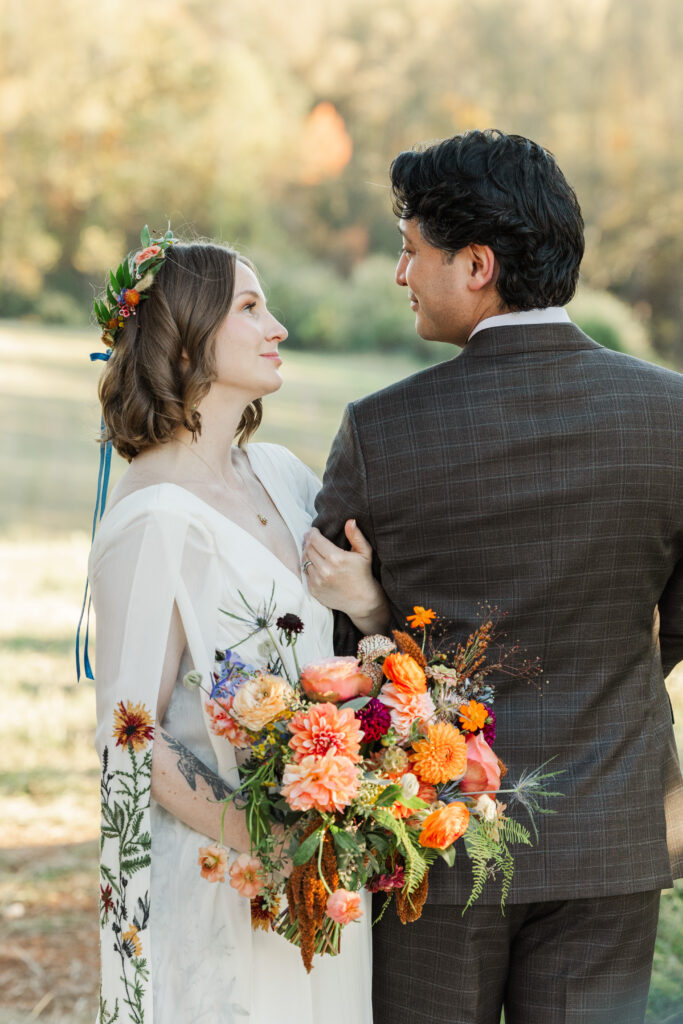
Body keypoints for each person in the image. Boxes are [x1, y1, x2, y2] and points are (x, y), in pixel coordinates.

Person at [309, 130, 683, 1024]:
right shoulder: (670, 414)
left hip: (431, 836)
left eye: (411, 251)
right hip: (608, 829)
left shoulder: (382, 431)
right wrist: (606, 680)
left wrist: (375, 614)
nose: (399, 274)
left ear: (477, 265)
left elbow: (327, 647)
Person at [88, 234, 385, 1023]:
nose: (276, 327)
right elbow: (128, 735)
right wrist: (274, 840)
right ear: (187, 341)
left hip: (322, 869)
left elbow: (343, 639)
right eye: (250, 308)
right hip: (227, 876)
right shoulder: (152, 519)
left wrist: (366, 605)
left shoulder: (283, 474)